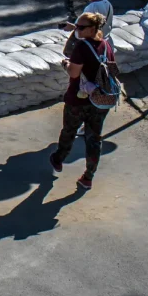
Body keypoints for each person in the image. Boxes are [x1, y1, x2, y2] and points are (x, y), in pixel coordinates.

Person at [49, 11, 114, 189]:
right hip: (100, 100)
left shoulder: (81, 47)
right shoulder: (106, 46)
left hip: (78, 100)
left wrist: (65, 63)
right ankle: (88, 176)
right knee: (94, 138)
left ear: (93, 29)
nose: (77, 29)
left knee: (69, 130)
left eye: (81, 27)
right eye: (76, 25)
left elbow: (74, 72)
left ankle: (58, 158)